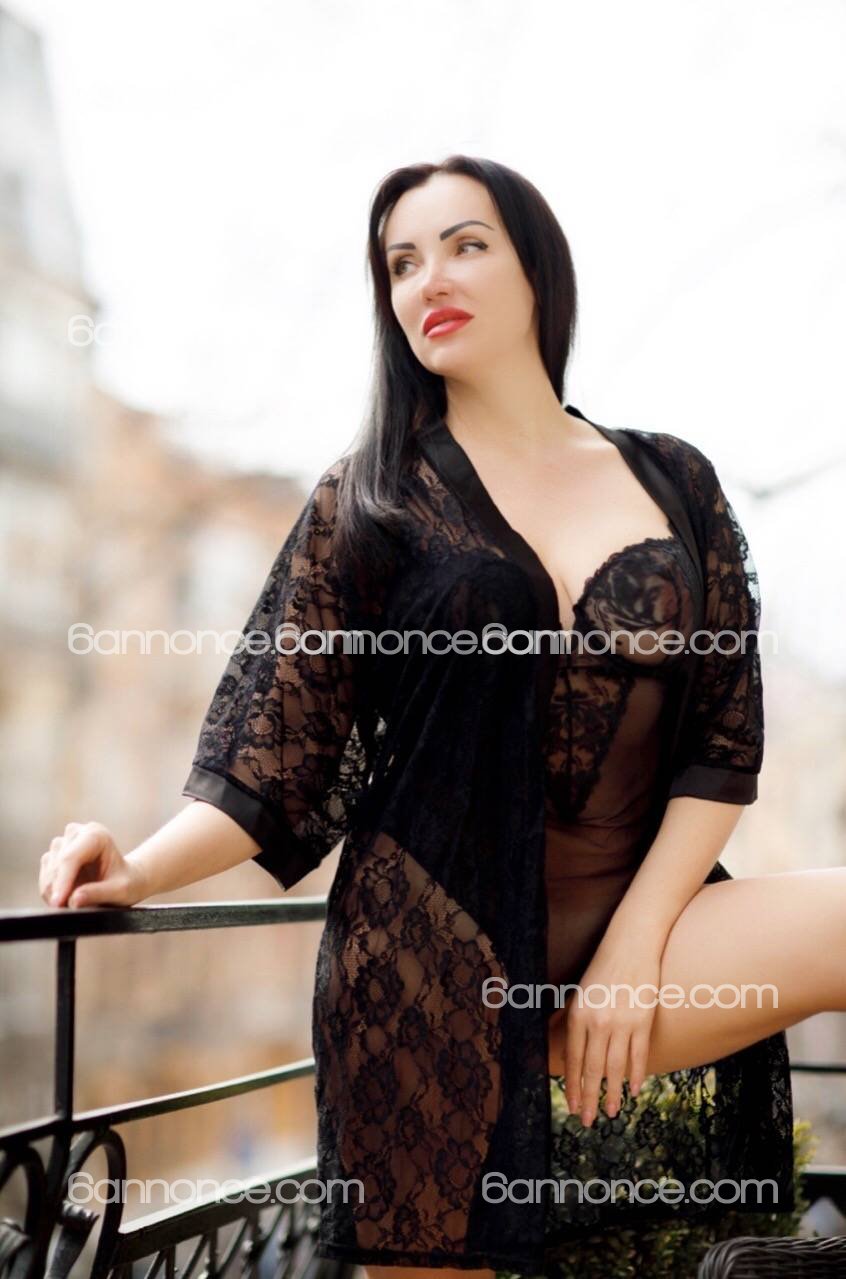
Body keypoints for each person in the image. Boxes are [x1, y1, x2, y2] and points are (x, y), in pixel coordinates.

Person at [40, 155, 846, 1279]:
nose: (431, 280)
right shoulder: (367, 500)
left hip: (641, 929)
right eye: (402, 263)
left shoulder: (673, 479)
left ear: (536, 271)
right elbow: (271, 758)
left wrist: (633, 949)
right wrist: (135, 865)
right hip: (427, 967)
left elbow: (721, 747)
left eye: (466, 245)